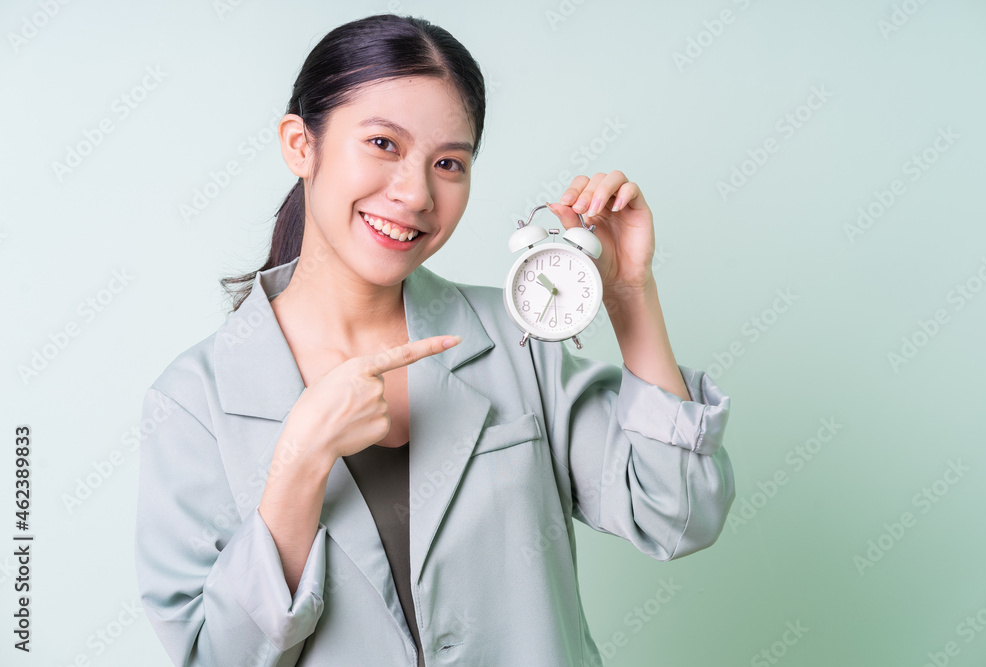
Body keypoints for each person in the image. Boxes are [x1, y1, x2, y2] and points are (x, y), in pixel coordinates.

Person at [133, 12, 736, 667]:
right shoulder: (192, 400)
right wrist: (300, 462)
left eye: (448, 162)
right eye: (383, 144)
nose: (416, 193)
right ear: (299, 145)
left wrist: (629, 293)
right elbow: (212, 657)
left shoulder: (515, 341)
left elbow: (676, 514)